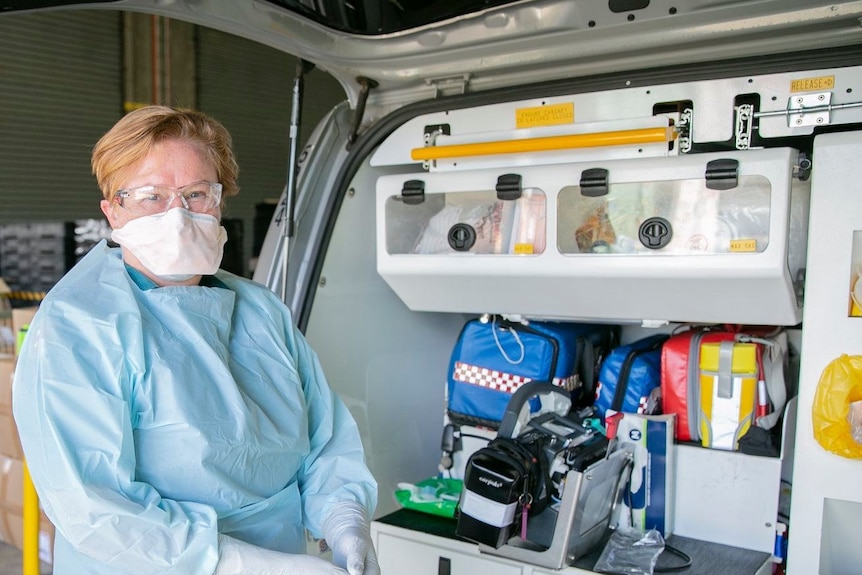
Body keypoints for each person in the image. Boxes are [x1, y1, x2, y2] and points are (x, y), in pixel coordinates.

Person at [12, 105, 379, 575]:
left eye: (197, 194)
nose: (178, 215)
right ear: (112, 211)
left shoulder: (262, 312)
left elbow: (326, 439)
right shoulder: (78, 326)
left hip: (284, 556)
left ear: (221, 200)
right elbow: (93, 506)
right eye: (151, 197)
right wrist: (240, 563)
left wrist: (343, 517)